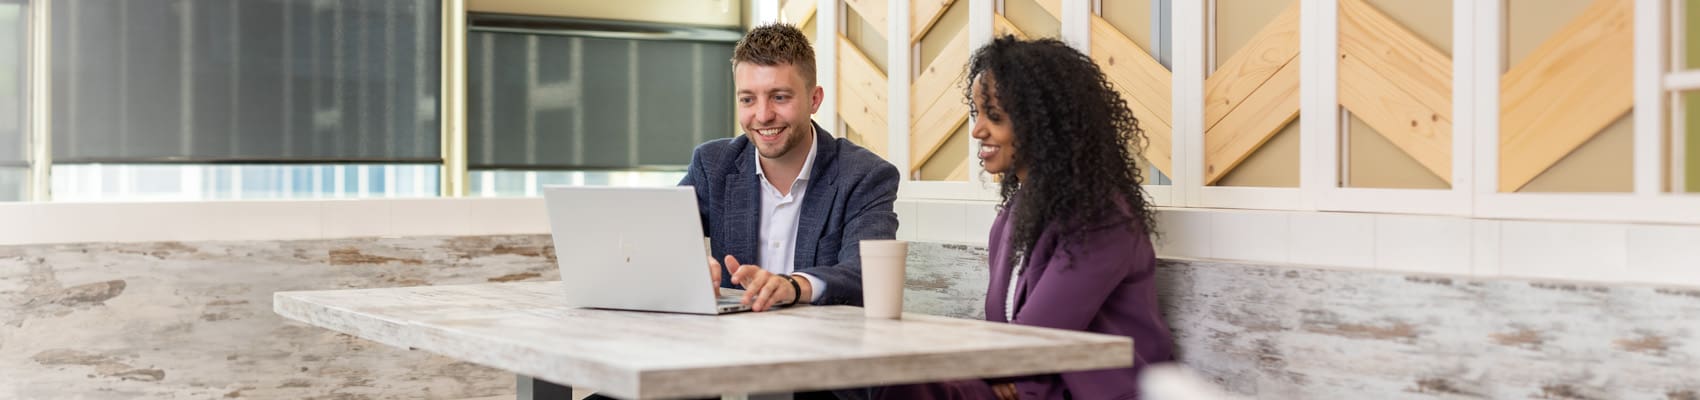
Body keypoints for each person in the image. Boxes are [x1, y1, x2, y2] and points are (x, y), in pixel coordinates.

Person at [875, 36, 1174, 400]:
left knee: (910, 386)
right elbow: (1009, 340)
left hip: (1094, 391)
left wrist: (1005, 373)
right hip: (1032, 384)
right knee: (896, 382)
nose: (977, 130)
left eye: (995, 117)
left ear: (1045, 124)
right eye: (977, 113)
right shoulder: (1015, 214)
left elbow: (1034, 338)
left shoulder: (1101, 219)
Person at [684, 23, 901, 314]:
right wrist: (687, 261)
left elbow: (865, 273)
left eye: (780, 97)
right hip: (731, 345)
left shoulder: (865, 175)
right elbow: (658, 235)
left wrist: (795, 285)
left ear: (814, 99)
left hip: (826, 348)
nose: (762, 115)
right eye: (748, 99)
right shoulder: (712, 165)